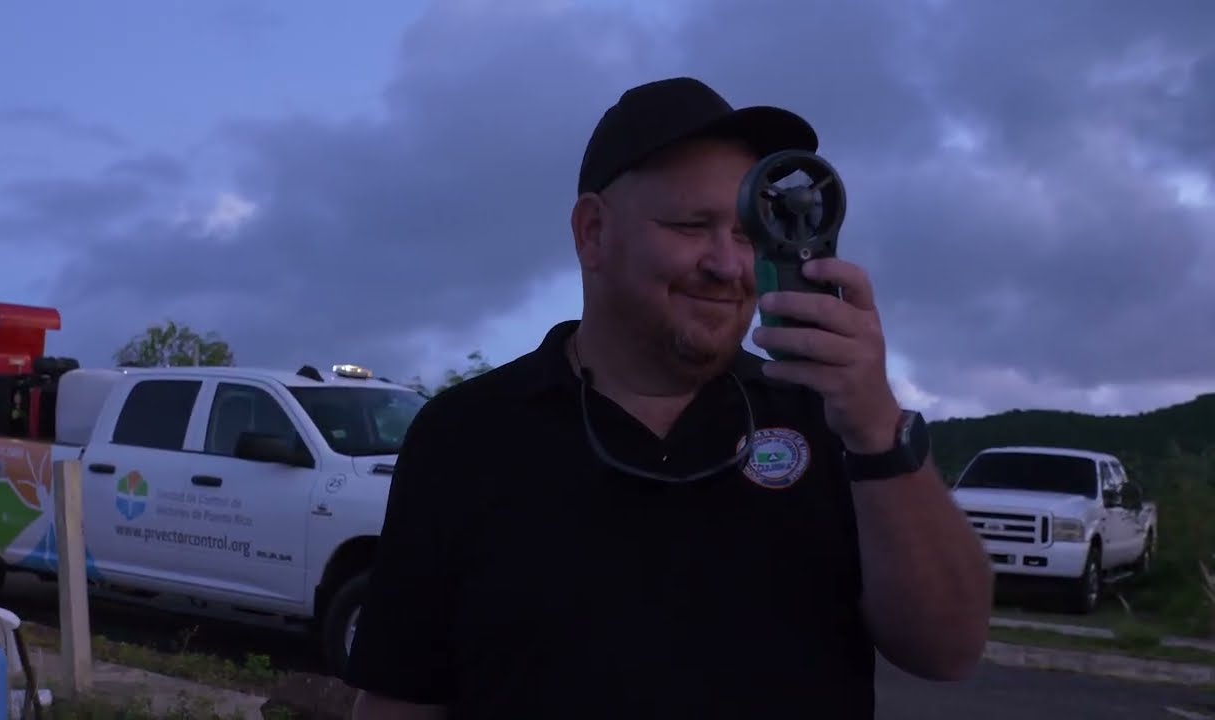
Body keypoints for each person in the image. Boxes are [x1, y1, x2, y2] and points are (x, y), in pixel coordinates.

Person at [344, 76, 994, 720]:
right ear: (593, 232)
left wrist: (878, 430)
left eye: (749, 233)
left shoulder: (825, 419)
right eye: (692, 225)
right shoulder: (467, 436)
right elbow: (401, 698)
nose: (728, 264)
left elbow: (950, 651)